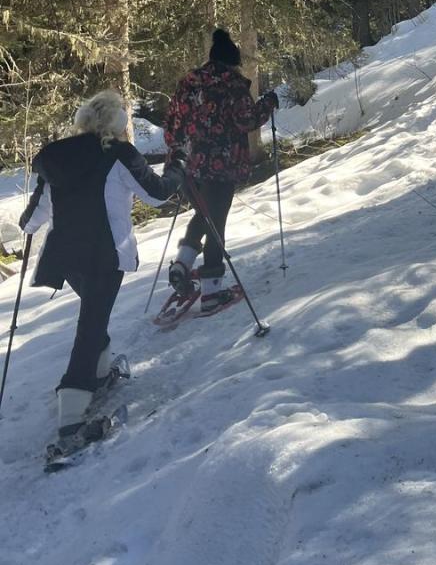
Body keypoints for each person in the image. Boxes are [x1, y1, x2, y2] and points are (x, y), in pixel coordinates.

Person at [19, 90, 186, 440]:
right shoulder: (119, 154)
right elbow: (156, 194)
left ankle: (97, 372)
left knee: (95, 315)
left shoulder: (60, 156)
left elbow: (36, 214)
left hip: (65, 257)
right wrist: (177, 169)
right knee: (91, 324)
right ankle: (71, 411)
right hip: (105, 254)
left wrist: (30, 225)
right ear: (117, 123)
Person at [164, 28, 278, 313]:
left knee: (203, 215)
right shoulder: (233, 86)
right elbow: (247, 120)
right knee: (216, 223)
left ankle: (182, 263)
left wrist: (179, 153)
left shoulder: (187, 84)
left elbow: (171, 125)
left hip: (186, 167)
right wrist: (268, 103)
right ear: (231, 62)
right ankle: (212, 291)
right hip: (221, 167)